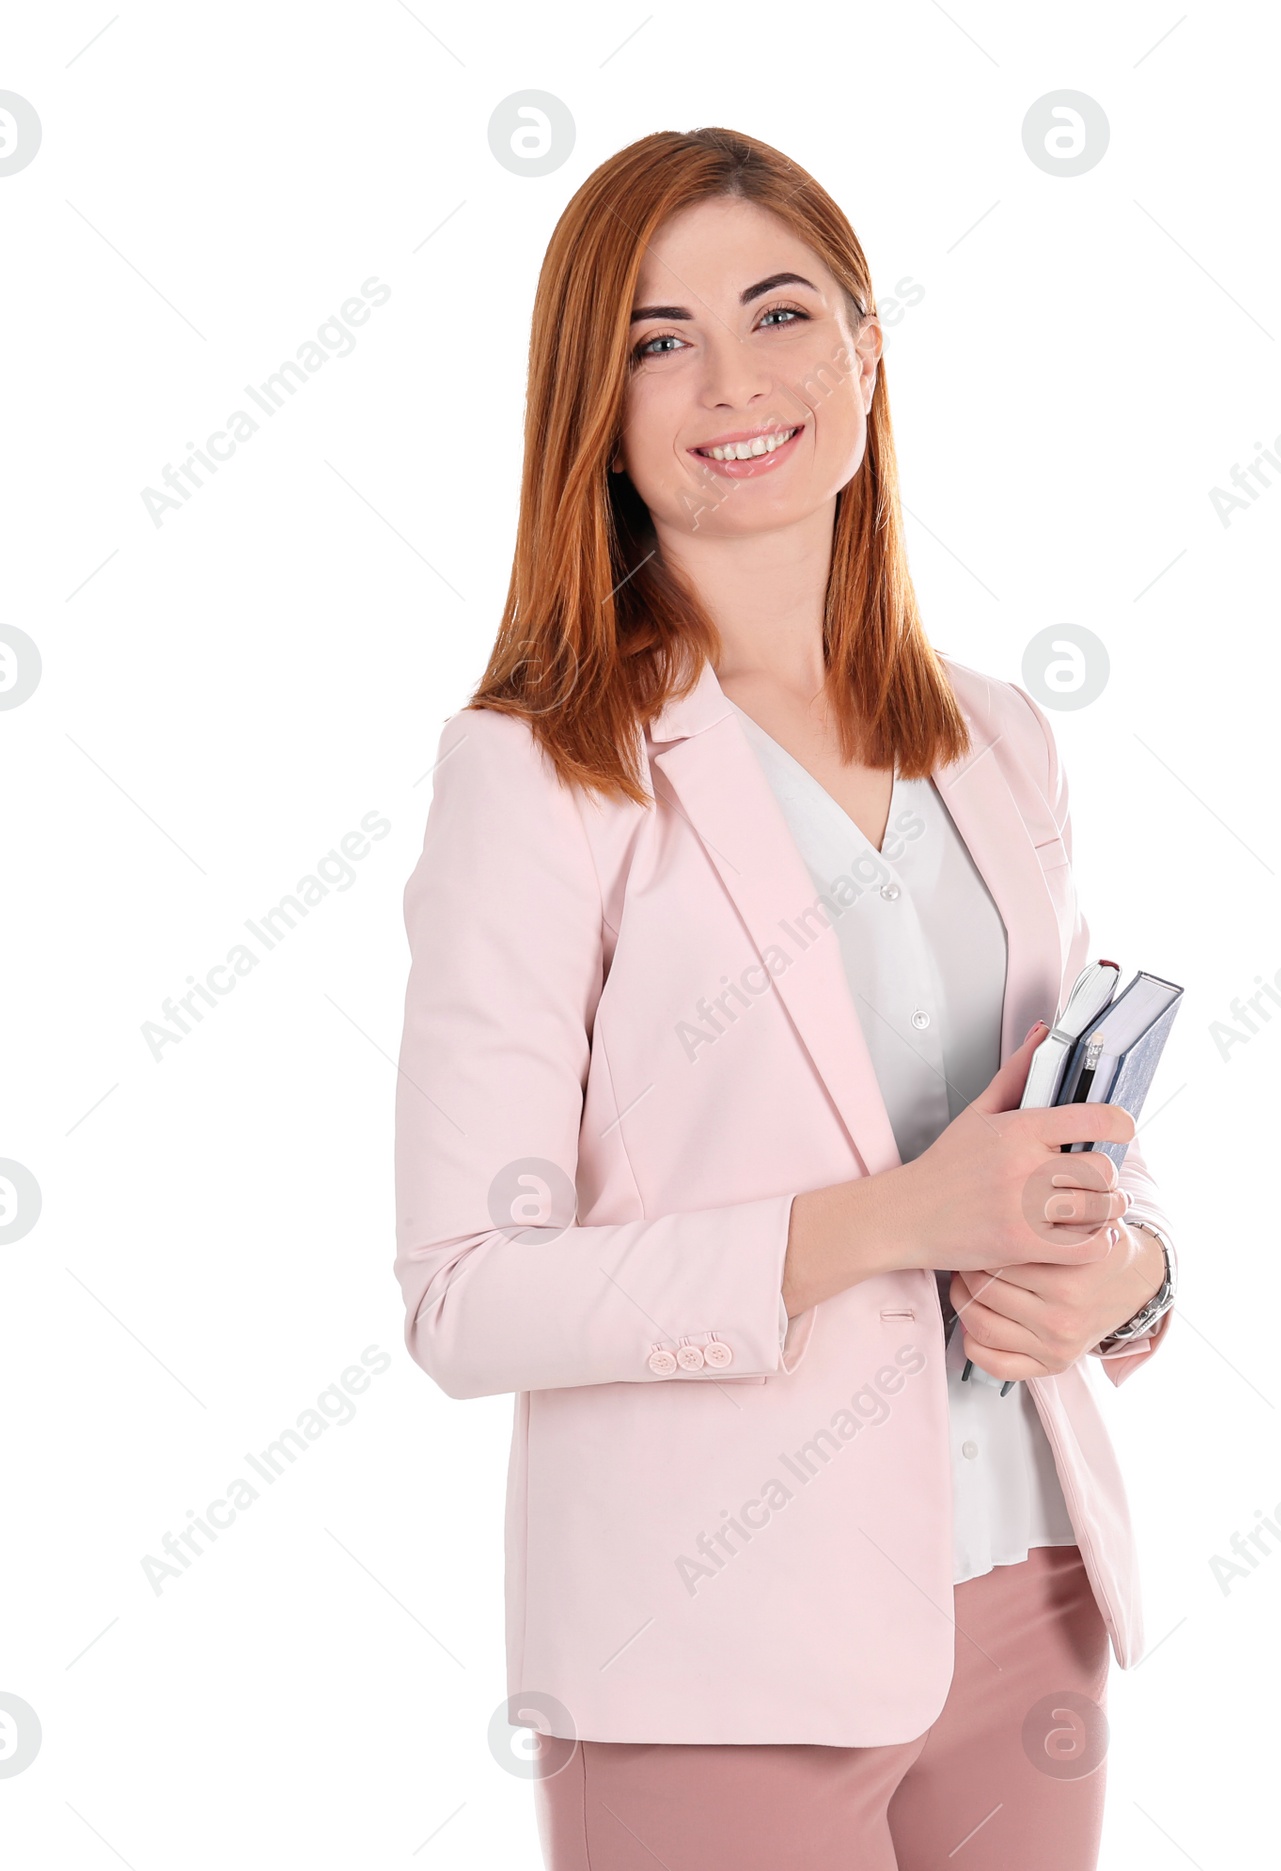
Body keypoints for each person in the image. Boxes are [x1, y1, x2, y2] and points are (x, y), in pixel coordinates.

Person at [394, 125, 1178, 1871]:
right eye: (659, 341)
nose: (731, 381)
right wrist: (892, 1222)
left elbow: (1071, 1145)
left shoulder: (996, 738)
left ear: (868, 349)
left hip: (1029, 1603)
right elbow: (464, 1297)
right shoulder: (538, 775)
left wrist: (1125, 1275)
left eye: (779, 312)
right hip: (711, 1658)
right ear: (590, 407)